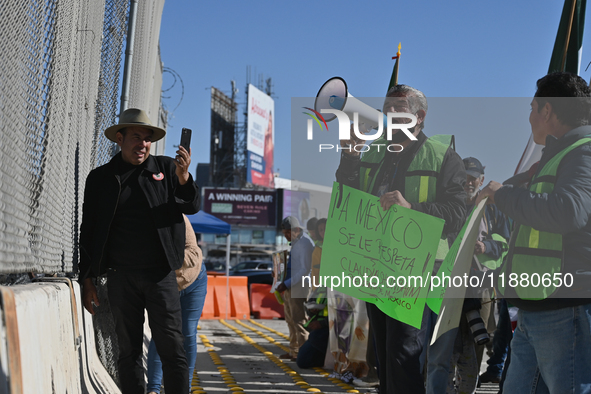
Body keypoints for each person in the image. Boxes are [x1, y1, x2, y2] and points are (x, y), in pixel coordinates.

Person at [336, 84, 467, 394]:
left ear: (419, 116)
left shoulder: (443, 156)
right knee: (383, 356)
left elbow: (458, 213)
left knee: (404, 354)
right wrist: (351, 157)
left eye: (398, 109)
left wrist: (412, 209)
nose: (389, 114)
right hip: (377, 266)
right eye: (387, 108)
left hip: (416, 270)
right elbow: (349, 196)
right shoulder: (376, 152)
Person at [477, 72, 591, 393]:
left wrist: (502, 195)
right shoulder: (560, 154)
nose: (528, 117)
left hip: (563, 310)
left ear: (547, 111)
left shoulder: (583, 151)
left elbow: (568, 211)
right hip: (538, 308)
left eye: (531, 108)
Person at [79, 108, 199, 394]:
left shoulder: (168, 170)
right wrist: (87, 279)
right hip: (121, 278)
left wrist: (184, 178)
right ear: (120, 138)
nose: (143, 144)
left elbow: (190, 206)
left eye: (147, 139)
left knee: (173, 350)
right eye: (136, 137)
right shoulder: (100, 178)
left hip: (161, 276)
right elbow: (88, 231)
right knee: (128, 352)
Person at [446, 157, 511, 393]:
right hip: (449, 284)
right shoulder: (450, 203)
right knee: (447, 338)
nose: (468, 181)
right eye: (464, 175)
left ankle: (467, 388)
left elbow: (506, 243)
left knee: (477, 337)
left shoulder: (493, 209)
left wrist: (486, 247)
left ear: (482, 180)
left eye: (473, 177)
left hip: (481, 285)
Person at [147, 214, 208, 394]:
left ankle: (184, 388)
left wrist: (166, 256)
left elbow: (194, 253)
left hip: (193, 280)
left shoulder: (178, 217)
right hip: (164, 285)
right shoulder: (141, 223)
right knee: (161, 332)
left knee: (188, 332)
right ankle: (153, 389)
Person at [276, 216, 315, 360]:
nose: (286, 236)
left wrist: (285, 284)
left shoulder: (304, 244)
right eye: (284, 233)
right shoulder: (296, 242)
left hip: (300, 286)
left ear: (297, 230)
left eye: (288, 233)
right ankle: (294, 351)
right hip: (291, 286)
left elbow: (304, 270)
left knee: (299, 321)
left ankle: (304, 354)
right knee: (290, 319)